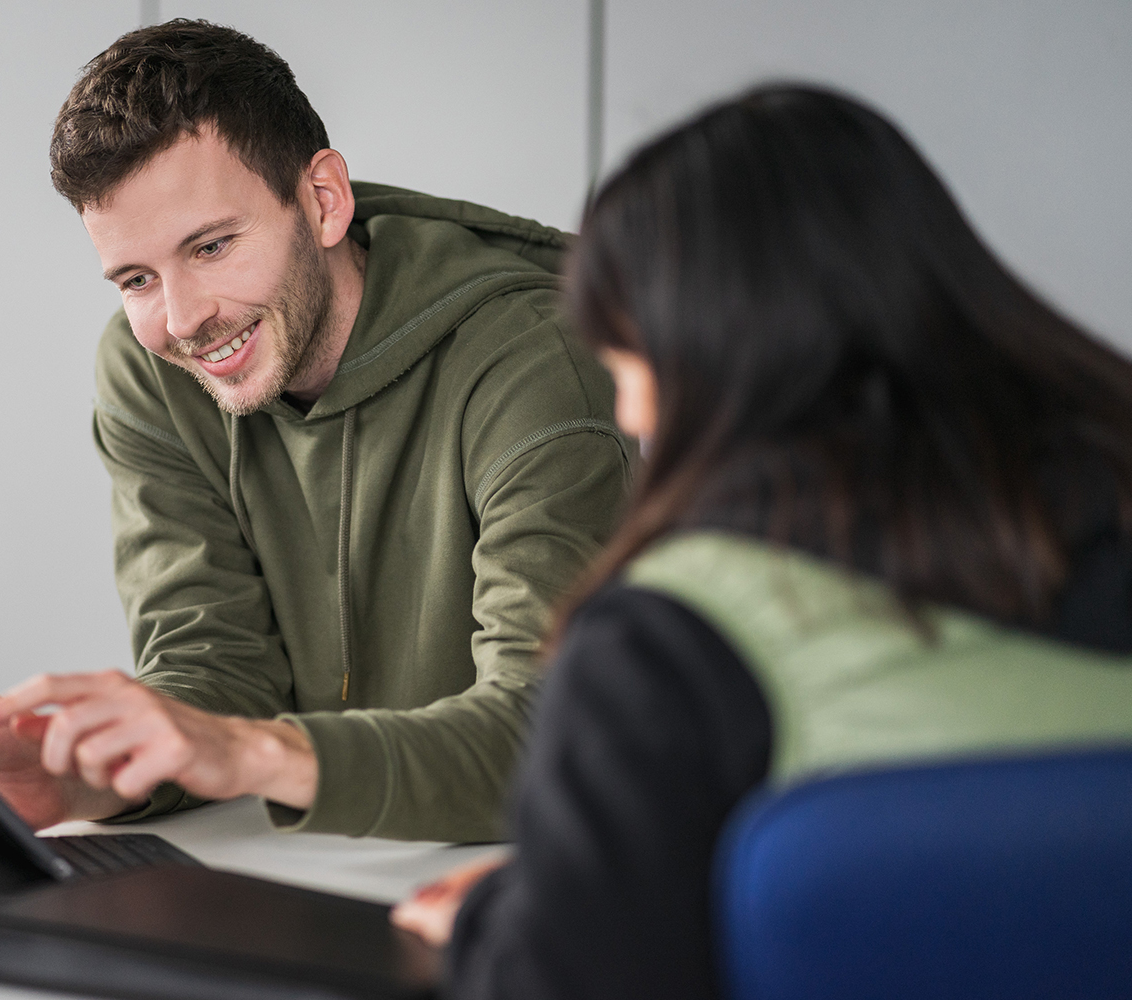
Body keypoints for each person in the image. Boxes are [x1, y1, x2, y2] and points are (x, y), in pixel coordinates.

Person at [392, 84, 1132, 996]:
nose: (628, 412)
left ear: (714, 355)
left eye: (630, 362)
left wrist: (495, 922)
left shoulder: (665, 640)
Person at [0, 20, 631, 843]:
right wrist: (73, 776)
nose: (183, 319)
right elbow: (216, 666)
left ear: (323, 201)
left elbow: (547, 730)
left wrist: (253, 755)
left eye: (213, 245)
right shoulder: (147, 367)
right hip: (306, 866)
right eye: (135, 278)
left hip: (537, 873)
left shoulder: (536, 359)